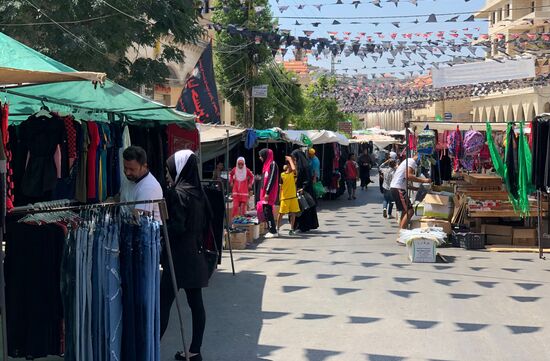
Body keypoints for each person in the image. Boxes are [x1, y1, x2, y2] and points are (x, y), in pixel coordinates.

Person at [161, 150, 211, 361]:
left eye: (169, 168)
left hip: (178, 258)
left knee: (162, 305)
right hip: (195, 254)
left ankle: (149, 349)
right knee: (196, 305)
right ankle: (195, 350)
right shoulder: (199, 193)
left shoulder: (177, 193)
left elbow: (177, 227)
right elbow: (208, 223)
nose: (167, 173)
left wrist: (160, 227)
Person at [120, 146, 163, 222]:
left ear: (144, 166)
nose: (127, 172)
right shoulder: (130, 178)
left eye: (132, 169)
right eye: (125, 168)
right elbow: (123, 197)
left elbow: (138, 221)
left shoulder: (149, 188)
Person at [390, 154, 431, 229]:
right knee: (410, 211)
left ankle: (402, 230)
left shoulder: (408, 161)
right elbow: (408, 176)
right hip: (398, 188)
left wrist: (416, 189)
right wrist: (424, 180)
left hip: (397, 188)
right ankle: (402, 232)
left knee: (405, 211)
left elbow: (405, 180)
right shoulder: (411, 161)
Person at [292, 149, 320, 232]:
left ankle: (304, 226)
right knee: (303, 207)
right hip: (304, 188)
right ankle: (303, 226)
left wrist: (303, 187)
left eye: (295, 158)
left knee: (304, 207)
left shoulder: (304, 166)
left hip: (305, 189)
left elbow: (307, 178)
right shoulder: (303, 164)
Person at [277, 157, 300, 235]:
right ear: (288, 165)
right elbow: (280, 187)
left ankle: (291, 229)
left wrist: (291, 160)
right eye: (292, 164)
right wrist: (279, 197)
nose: (294, 166)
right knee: (281, 213)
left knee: (293, 213)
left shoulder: (293, 174)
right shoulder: (282, 175)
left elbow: (294, 170)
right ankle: (277, 228)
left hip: (293, 197)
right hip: (285, 197)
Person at [259, 149, 279, 238]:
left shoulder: (272, 164)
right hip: (265, 192)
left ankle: (273, 231)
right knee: (266, 210)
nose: (260, 158)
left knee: (268, 211)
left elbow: (271, 179)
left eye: (261, 155)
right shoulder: (266, 165)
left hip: (269, 192)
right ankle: (271, 229)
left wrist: (267, 192)